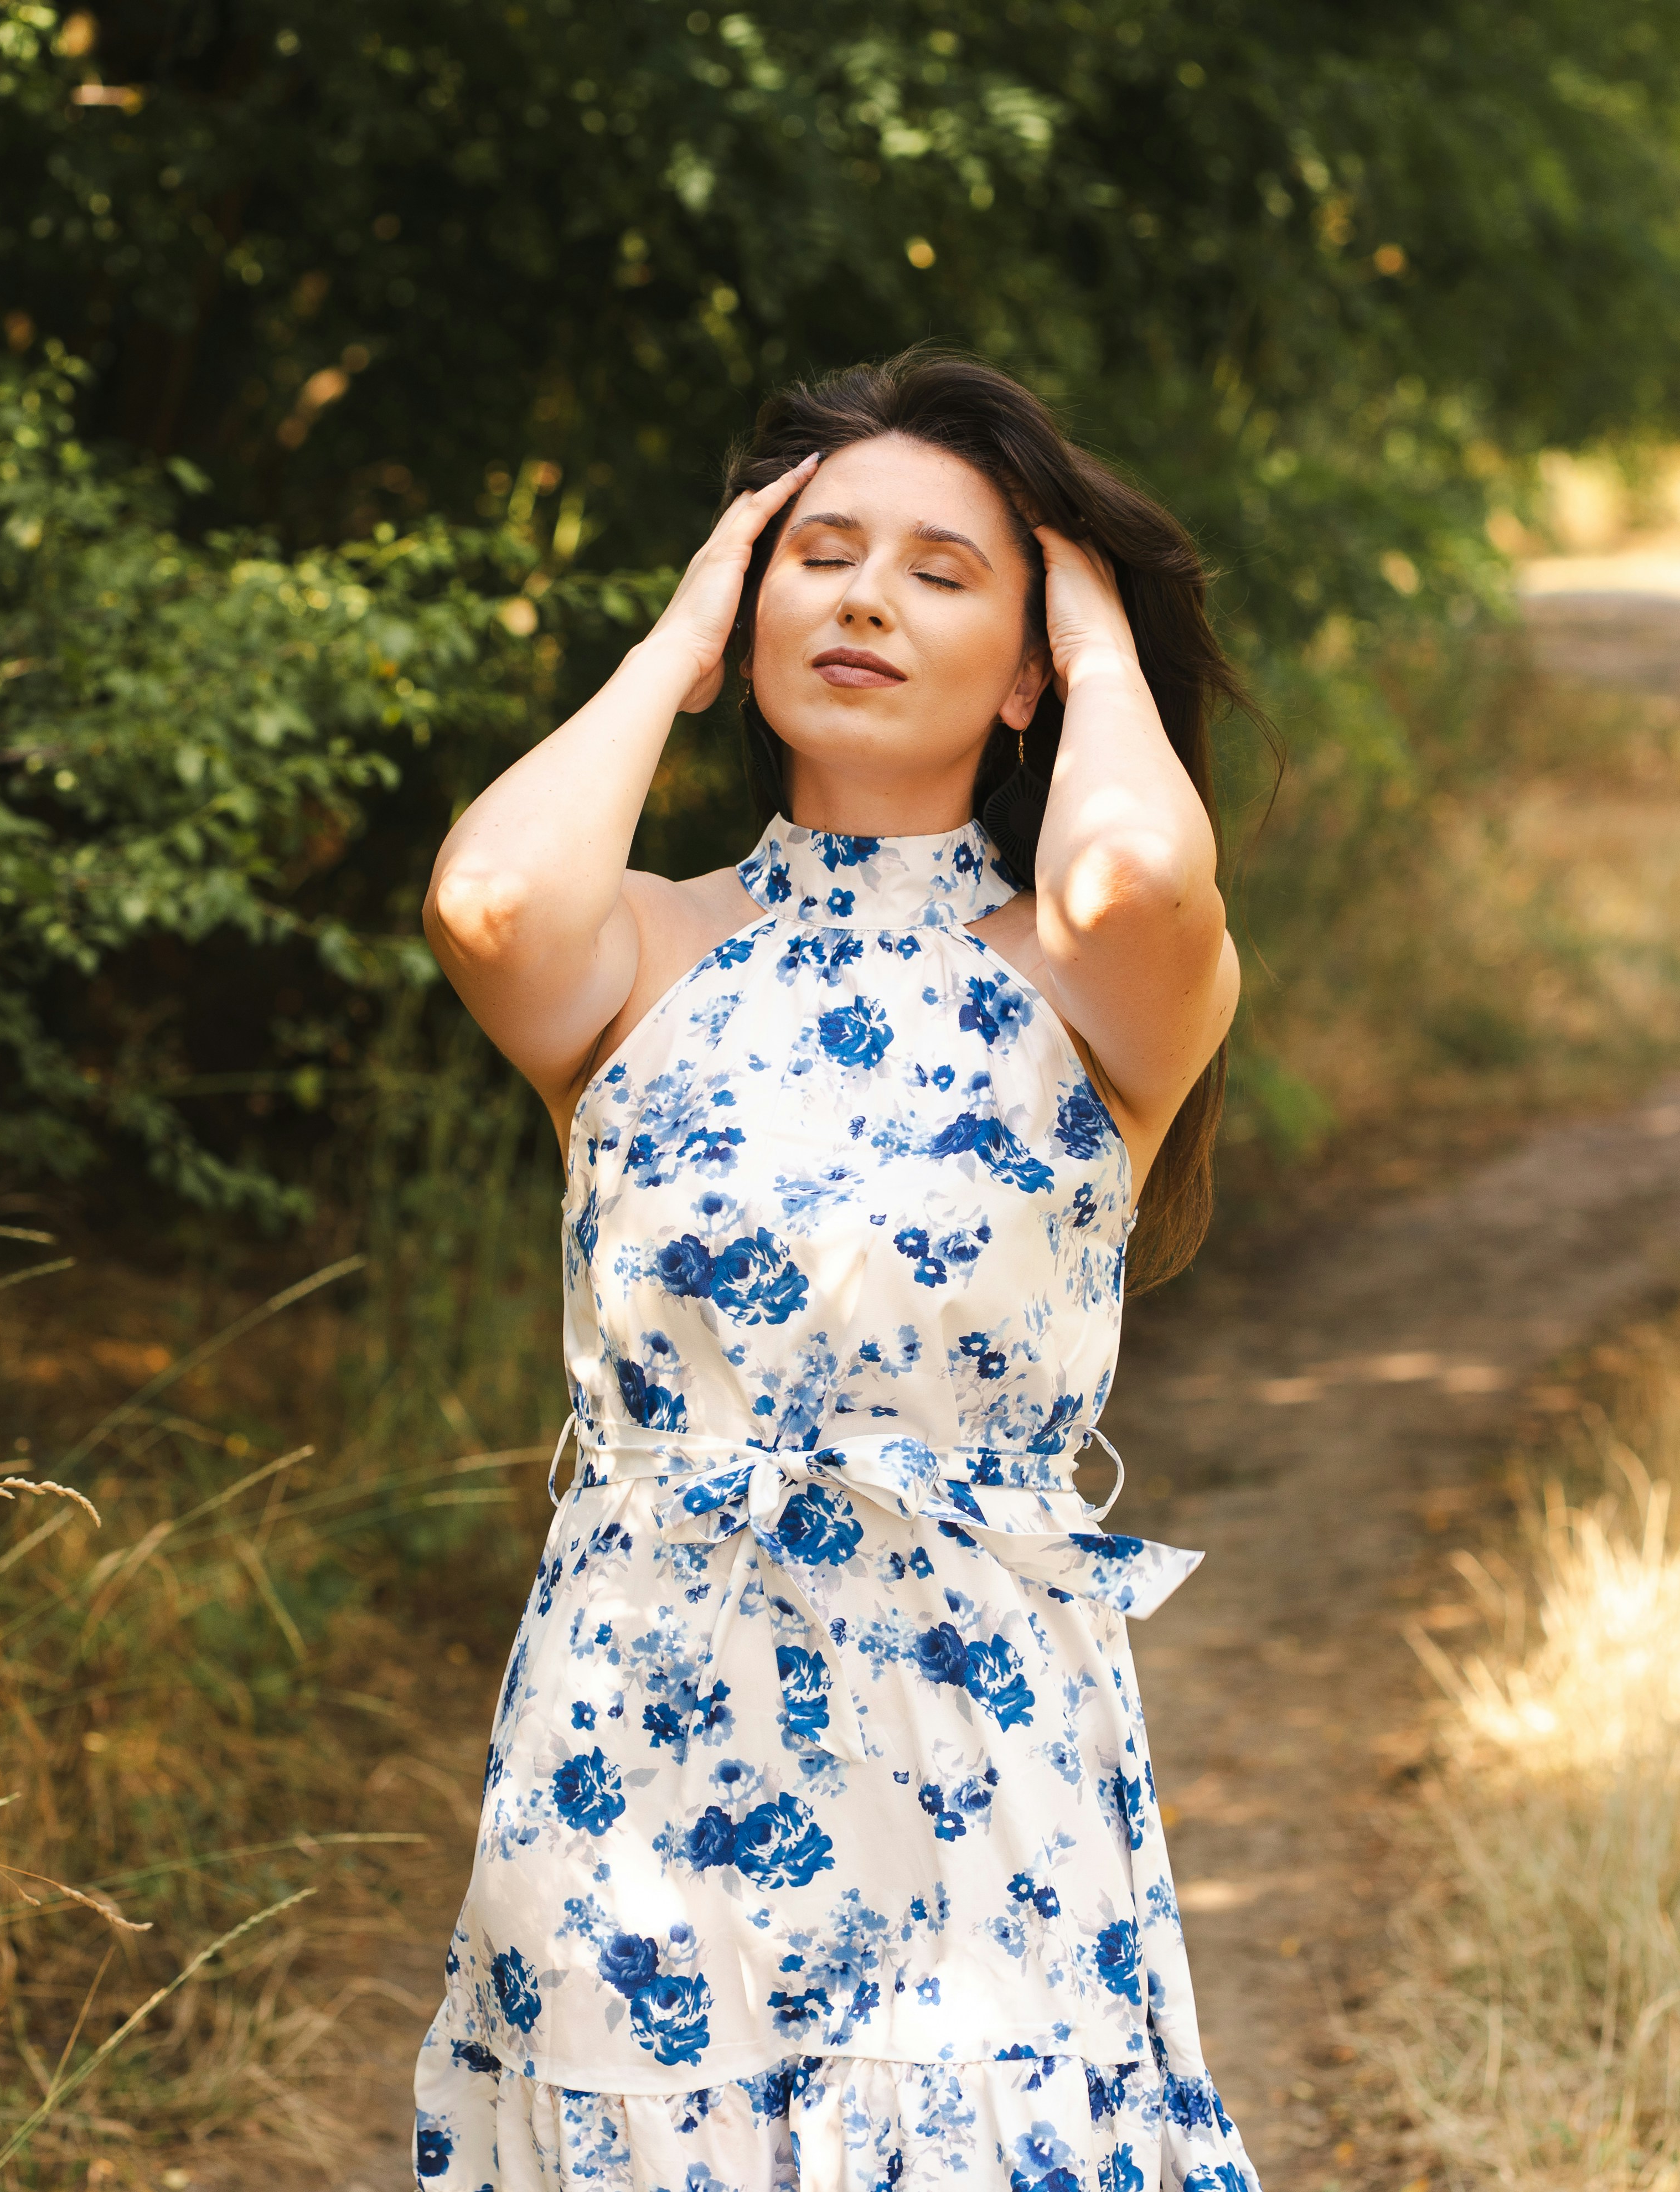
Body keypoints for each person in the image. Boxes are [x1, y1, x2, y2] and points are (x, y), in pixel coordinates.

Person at [411, 349, 1261, 2190]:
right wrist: (673, 647)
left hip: (973, 1714)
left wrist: (1100, 646)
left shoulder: (1081, 971)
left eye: (945, 572)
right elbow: (486, 905)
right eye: (823, 553)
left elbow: (1125, 870)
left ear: (1027, 667)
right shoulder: (642, 951)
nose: (868, 594)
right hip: (638, 1699)